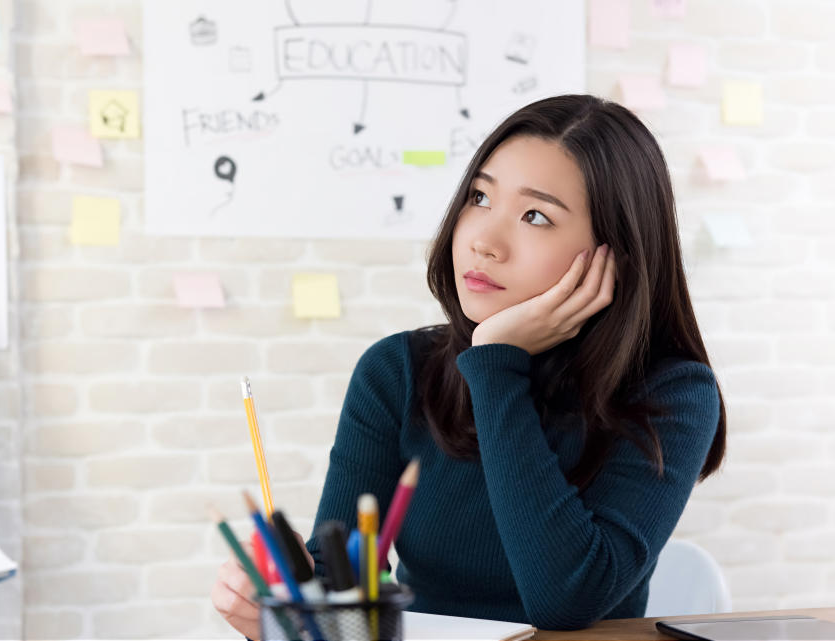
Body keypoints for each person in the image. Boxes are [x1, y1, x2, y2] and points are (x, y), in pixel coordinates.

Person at [211, 93, 726, 636]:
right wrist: (283, 601)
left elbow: (566, 601)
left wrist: (497, 365)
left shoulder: (672, 394)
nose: (484, 240)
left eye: (535, 215)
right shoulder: (397, 371)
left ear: (612, 257)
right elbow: (344, 574)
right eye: (479, 197)